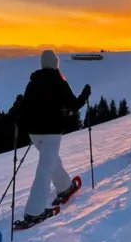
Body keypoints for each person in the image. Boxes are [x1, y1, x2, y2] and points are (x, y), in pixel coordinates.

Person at [15, 50, 91, 228]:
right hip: (51, 132)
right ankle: (34, 212)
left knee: (50, 161)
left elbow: (25, 109)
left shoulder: (32, 83)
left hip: (34, 133)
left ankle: (64, 186)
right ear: (56, 64)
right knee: (45, 169)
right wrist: (85, 94)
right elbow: (74, 106)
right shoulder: (58, 82)